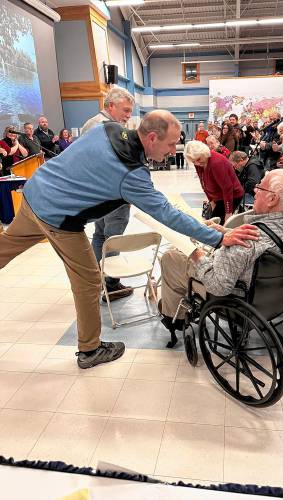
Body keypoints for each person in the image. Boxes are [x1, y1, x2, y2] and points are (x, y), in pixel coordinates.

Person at [0, 110, 257, 369]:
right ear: (152, 138)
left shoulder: (108, 129)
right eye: (170, 144)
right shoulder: (132, 174)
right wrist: (216, 238)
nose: (172, 150)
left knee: (7, 245)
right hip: (58, 219)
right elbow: (168, 214)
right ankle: (90, 350)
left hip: (35, 193)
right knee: (90, 281)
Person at [159, 169, 283, 347]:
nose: (255, 190)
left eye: (260, 187)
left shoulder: (246, 242)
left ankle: (174, 317)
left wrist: (195, 253)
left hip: (234, 297)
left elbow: (218, 286)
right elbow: (261, 242)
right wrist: (223, 232)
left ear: (272, 199)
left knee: (171, 256)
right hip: (277, 294)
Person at [81, 87, 135, 302]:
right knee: (113, 239)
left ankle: (97, 280)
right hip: (113, 195)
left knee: (100, 235)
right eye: (126, 110)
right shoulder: (106, 128)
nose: (129, 115)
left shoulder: (90, 123)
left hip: (96, 194)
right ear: (110, 105)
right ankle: (111, 286)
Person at [185, 140, 244, 224]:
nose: (197, 163)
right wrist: (211, 201)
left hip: (232, 195)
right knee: (212, 221)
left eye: (198, 159)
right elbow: (203, 183)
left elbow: (227, 187)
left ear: (203, 153)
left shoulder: (216, 163)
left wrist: (228, 212)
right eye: (193, 161)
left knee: (216, 224)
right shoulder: (199, 162)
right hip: (218, 196)